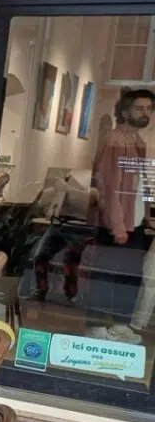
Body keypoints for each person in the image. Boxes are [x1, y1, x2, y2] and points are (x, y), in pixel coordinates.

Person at [86, 88, 154, 344]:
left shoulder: (138, 142)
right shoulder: (114, 141)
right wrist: (117, 226)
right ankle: (95, 327)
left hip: (133, 223)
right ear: (125, 110)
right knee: (104, 275)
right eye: (140, 108)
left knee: (130, 277)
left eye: (149, 109)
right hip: (116, 224)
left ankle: (120, 326)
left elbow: (137, 185)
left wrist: (146, 216)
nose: (145, 113)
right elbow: (108, 187)